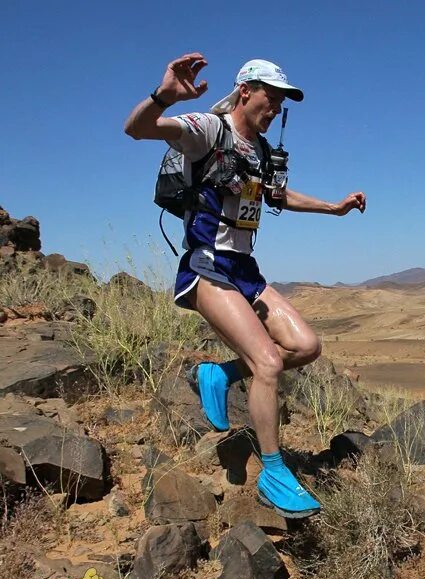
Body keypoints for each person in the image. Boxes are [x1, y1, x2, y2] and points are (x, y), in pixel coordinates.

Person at [124, 53, 366, 518]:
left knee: (307, 345)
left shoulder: (261, 152)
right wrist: (163, 96)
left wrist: (332, 208)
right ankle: (274, 472)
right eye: (269, 98)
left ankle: (220, 374)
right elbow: (137, 129)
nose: (274, 109)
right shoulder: (207, 132)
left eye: (281, 103)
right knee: (270, 362)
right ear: (245, 91)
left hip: (245, 269)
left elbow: (279, 196)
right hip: (206, 266)